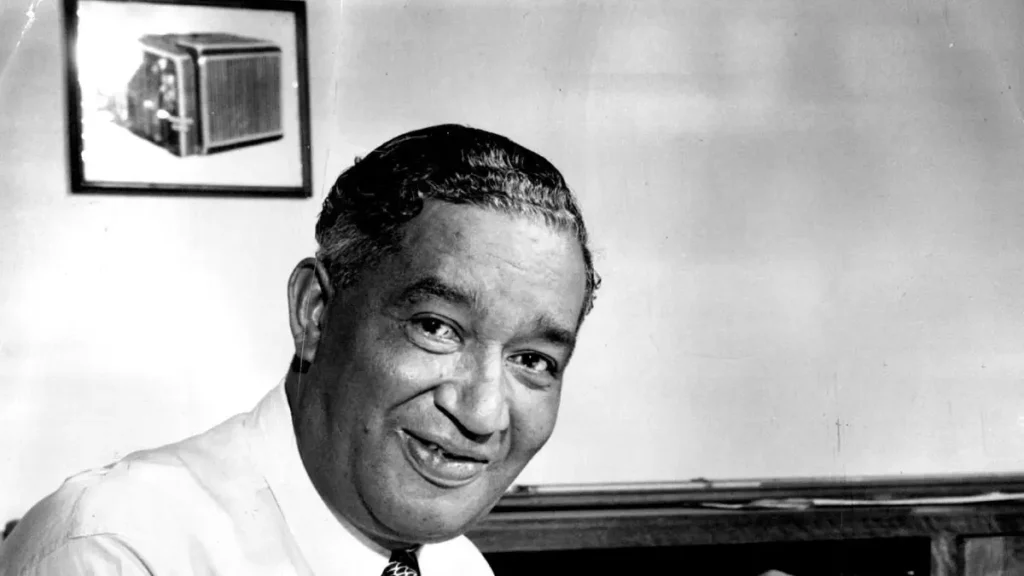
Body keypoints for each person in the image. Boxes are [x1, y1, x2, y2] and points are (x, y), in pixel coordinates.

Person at [0, 124, 600, 575]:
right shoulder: (118, 550)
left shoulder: (458, 567)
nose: (483, 413)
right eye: (437, 327)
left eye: (533, 361)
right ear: (315, 312)